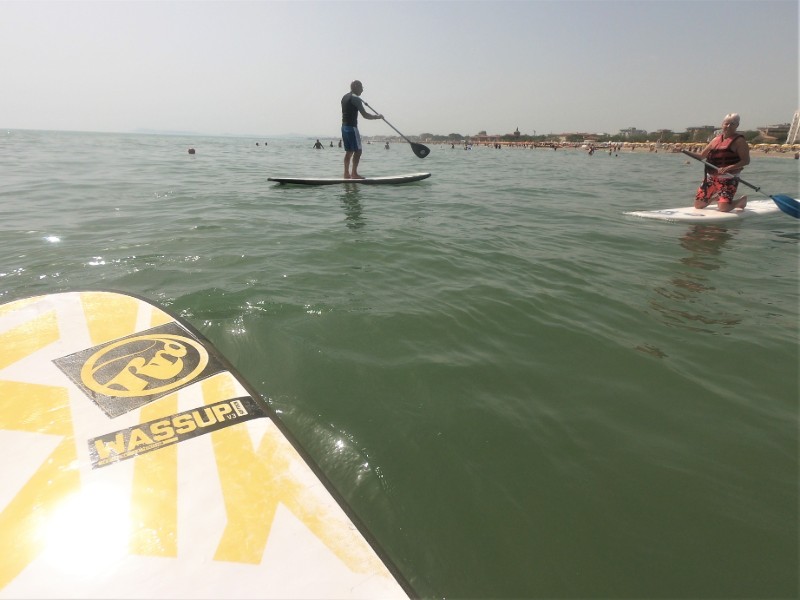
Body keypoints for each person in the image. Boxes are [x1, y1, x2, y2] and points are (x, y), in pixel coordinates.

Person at [690, 113, 750, 212]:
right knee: (698, 205)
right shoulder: (715, 140)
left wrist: (729, 167)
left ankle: (740, 201)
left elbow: (746, 161)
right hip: (711, 178)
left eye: (732, 124)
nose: (729, 126)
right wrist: (683, 151)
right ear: (722, 124)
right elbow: (701, 156)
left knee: (724, 209)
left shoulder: (739, 141)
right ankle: (717, 198)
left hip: (728, 178)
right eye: (727, 123)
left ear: (737, 125)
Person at [341, 80, 382, 179]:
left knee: (349, 151)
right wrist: (377, 117)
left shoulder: (344, 97)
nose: (362, 90)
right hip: (352, 128)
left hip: (344, 127)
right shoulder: (356, 99)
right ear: (355, 86)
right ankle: (354, 174)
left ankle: (346, 173)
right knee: (358, 151)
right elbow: (365, 115)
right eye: (361, 88)